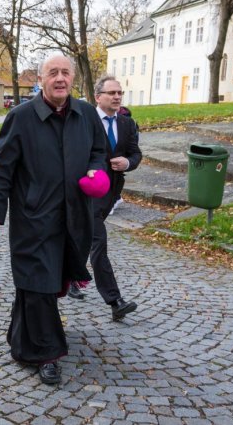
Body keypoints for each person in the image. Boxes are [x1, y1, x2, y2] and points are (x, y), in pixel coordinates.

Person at [0, 54, 107, 385]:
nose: (60, 78)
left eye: (66, 72)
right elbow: (2, 170)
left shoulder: (86, 115)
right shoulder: (21, 118)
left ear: (73, 78)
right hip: (34, 219)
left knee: (45, 283)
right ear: (41, 79)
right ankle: (47, 353)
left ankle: (21, 336)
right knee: (39, 283)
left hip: (74, 216)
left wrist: (97, 170)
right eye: (53, 73)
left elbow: (99, 150)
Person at [68, 76, 141, 321]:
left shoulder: (127, 124)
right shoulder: (85, 122)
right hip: (86, 193)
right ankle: (115, 300)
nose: (117, 96)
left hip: (111, 193)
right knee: (98, 243)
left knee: (83, 239)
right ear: (98, 97)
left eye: (120, 92)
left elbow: (135, 153)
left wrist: (128, 162)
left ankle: (69, 278)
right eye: (111, 93)